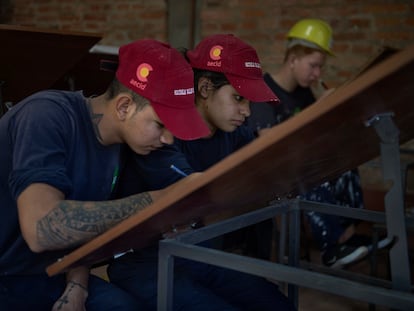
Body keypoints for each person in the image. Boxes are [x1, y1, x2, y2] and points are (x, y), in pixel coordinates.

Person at [0, 39, 210, 310]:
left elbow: (85, 223)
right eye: (161, 125)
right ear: (124, 107)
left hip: (52, 273)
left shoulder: (120, 144)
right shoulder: (45, 115)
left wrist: (78, 286)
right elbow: (41, 229)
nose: (168, 139)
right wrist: (162, 200)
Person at [108, 34, 296, 311]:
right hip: (145, 262)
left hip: (201, 254)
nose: (246, 111)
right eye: (238, 98)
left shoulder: (235, 133)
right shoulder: (161, 135)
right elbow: (198, 192)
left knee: (277, 304)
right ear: (205, 88)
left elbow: (263, 167)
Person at [245, 18, 392, 268]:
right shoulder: (264, 91)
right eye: (313, 66)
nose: (317, 74)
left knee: (345, 163)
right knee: (309, 171)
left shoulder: (303, 92)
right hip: (272, 175)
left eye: (320, 68)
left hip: (300, 167)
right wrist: (318, 108)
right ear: (293, 59)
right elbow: (266, 141)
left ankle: (347, 237)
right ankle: (332, 248)